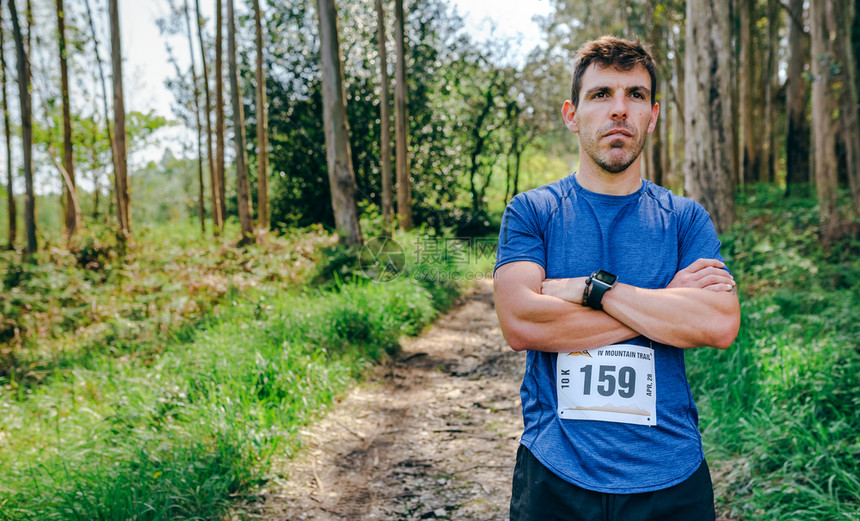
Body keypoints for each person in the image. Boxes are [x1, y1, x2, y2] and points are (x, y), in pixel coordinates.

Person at [493, 35, 741, 521]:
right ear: (572, 114)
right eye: (601, 94)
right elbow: (521, 323)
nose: (620, 110)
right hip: (555, 475)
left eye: (636, 95)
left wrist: (590, 291)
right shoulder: (533, 212)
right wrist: (665, 304)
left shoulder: (686, 220)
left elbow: (719, 325)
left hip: (672, 477)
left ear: (653, 115)